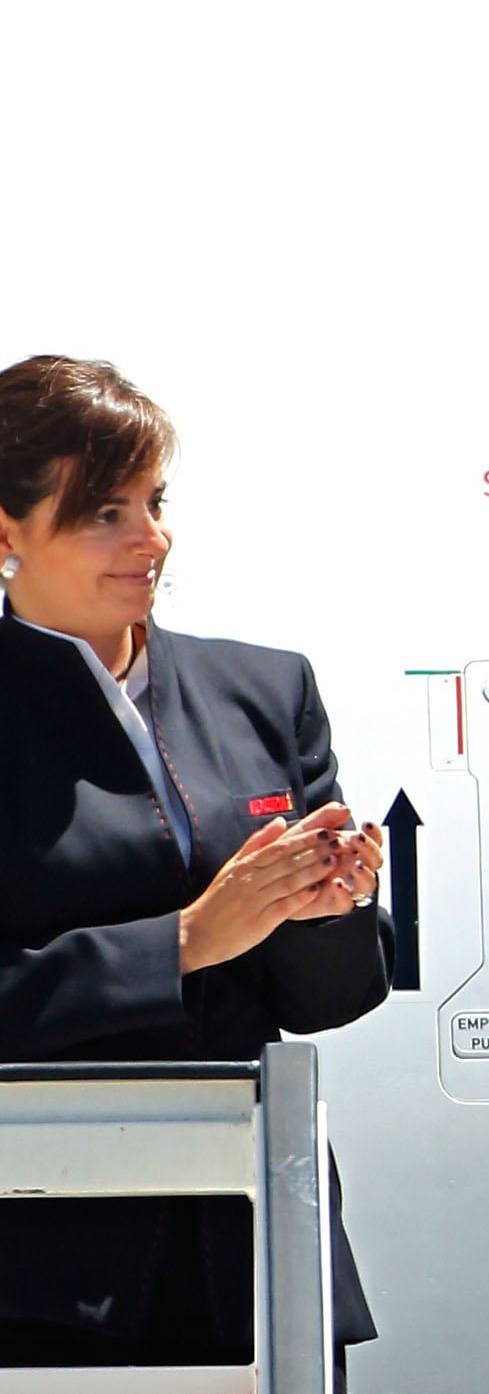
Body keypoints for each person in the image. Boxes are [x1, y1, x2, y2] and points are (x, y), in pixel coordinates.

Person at [0, 356, 389, 1371]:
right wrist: (182, 942)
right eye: (104, 512)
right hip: (44, 1266)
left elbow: (327, 1001)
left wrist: (327, 908)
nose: (152, 537)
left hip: (262, 1250)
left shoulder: (264, 686)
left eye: (156, 501)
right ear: (7, 531)